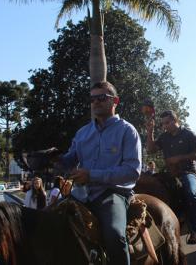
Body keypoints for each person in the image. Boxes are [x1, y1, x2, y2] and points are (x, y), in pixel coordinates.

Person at [59, 81, 142, 265]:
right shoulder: (82, 133)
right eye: (92, 99)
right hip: (80, 194)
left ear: (115, 101)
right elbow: (69, 160)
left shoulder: (128, 131)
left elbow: (132, 172)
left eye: (102, 98)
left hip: (113, 194)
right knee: (48, 222)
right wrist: (54, 158)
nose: (96, 102)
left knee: (114, 234)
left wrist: (91, 175)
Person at [146, 110, 196, 244]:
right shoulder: (164, 137)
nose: (165, 126)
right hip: (169, 173)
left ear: (175, 120)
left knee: (191, 194)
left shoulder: (188, 134)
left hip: (187, 172)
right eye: (163, 124)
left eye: (167, 122)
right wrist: (149, 132)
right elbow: (150, 150)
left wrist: (179, 158)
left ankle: (194, 230)